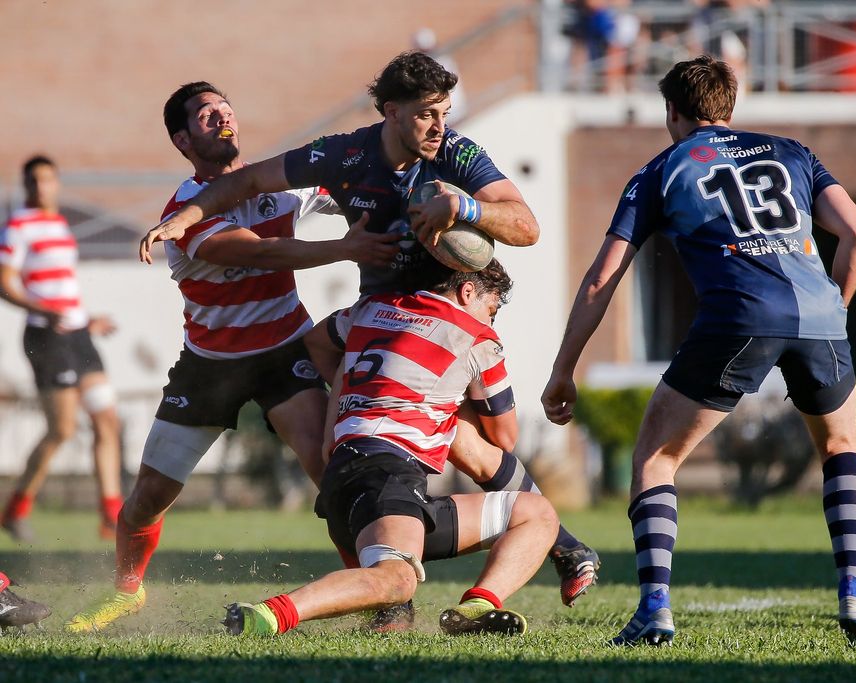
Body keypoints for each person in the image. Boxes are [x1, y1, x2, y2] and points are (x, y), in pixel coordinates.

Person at [140, 52, 601, 612]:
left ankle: (543, 550)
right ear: (390, 111)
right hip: (374, 314)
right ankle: (433, 578)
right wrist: (185, 217)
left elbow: (525, 226)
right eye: (427, 114)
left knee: (482, 442)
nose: (439, 126)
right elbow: (252, 181)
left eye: (445, 113)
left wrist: (467, 208)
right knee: (421, 447)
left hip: (438, 311)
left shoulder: (456, 152)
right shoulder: (346, 153)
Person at [541, 55, 856, 647]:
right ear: (730, 106)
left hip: (738, 316)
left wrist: (563, 368)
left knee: (655, 457)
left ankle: (655, 607)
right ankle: (855, 591)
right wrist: (837, 312)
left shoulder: (662, 169)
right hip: (820, 317)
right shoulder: (792, 152)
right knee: (841, 447)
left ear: (671, 112)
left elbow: (602, 279)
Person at [64, 81, 399, 633]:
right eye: (204, 115)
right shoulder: (184, 216)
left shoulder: (278, 187)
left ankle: (379, 598)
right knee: (148, 498)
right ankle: (126, 591)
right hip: (210, 365)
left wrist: (371, 193)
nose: (221, 118)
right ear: (182, 140)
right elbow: (266, 251)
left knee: (332, 476)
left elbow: (339, 188)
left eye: (225, 108)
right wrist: (344, 248)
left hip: (285, 354)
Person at [224, 259, 558, 637]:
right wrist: (459, 399)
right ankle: (267, 617)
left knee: (536, 513)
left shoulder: (376, 309)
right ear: (468, 292)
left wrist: (344, 397)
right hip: (385, 474)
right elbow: (504, 438)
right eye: (491, 309)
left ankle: (476, 607)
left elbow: (317, 341)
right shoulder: (477, 338)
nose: (491, 321)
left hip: (352, 476)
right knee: (397, 581)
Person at [0, 155, 123, 543]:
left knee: (107, 420)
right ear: (26, 186)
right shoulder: (18, 226)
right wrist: (43, 310)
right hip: (46, 338)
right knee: (63, 429)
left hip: (77, 335)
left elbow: (62, 288)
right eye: (34, 181)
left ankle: (112, 518)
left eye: (48, 180)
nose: (41, 187)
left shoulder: (59, 225)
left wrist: (87, 321)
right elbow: (6, 284)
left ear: (57, 184)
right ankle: (15, 509)